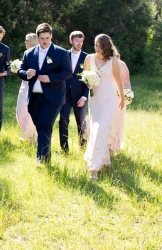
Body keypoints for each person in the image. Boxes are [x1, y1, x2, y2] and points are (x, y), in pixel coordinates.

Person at [17, 23, 72, 165]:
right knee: (41, 127)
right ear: (37, 37)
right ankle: (46, 156)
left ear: (51, 36)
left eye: (48, 38)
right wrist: (26, 74)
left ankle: (41, 160)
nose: (45, 41)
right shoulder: (28, 53)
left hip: (53, 97)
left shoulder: (61, 52)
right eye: (42, 38)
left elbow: (68, 72)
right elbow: (20, 71)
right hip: (34, 97)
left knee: (44, 126)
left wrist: (50, 78)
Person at [83, 34, 125, 180]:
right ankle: (104, 158)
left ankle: (93, 167)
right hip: (95, 99)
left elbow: (118, 80)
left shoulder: (113, 61)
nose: (97, 49)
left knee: (102, 128)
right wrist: (89, 81)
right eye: (96, 45)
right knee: (95, 129)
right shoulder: (89, 58)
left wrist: (122, 98)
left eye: (100, 46)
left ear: (106, 46)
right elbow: (84, 76)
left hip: (109, 99)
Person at [59, 31, 89, 152]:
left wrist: (85, 96)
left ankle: (83, 147)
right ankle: (64, 148)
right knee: (63, 120)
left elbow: (90, 79)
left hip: (80, 96)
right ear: (71, 41)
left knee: (81, 122)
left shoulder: (87, 58)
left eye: (81, 41)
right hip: (64, 94)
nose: (79, 43)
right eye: (77, 40)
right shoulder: (63, 55)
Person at [16, 33, 38, 142]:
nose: (25, 42)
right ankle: (27, 134)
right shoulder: (26, 53)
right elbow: (22, 69)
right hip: (24, 86)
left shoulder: (38, 53)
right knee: (20, 113)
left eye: (27, 41)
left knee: (30, 112)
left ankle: (29, 136)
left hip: (33, 87)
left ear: (33, 42)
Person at [108, 52, 131, 155]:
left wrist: (126, 95)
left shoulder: (121, 64)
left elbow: (126, 83)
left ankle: (112, 147)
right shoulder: (101, 63)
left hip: (118, 97)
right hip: (104, 96)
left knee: (115, 122)